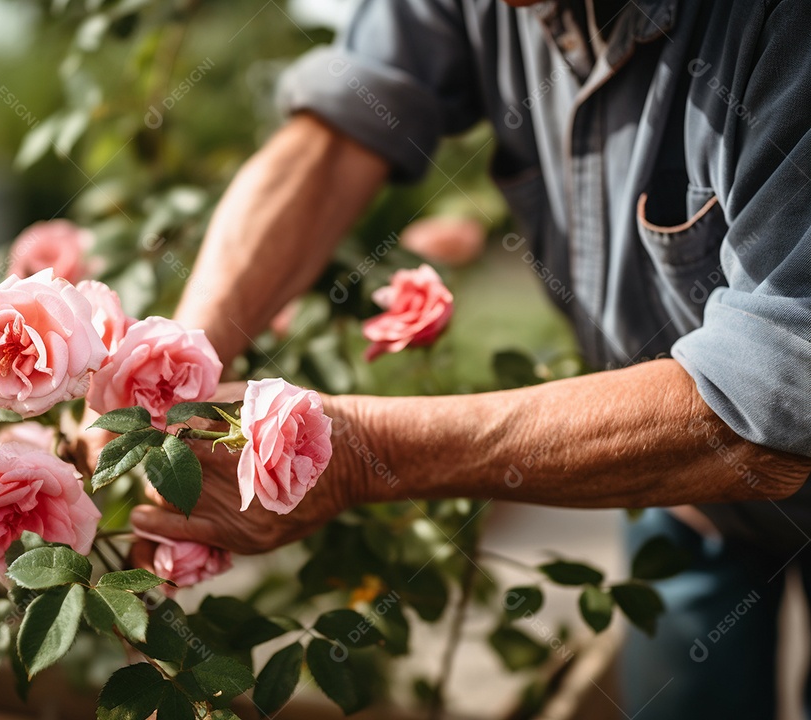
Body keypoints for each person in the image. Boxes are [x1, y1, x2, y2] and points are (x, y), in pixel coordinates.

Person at [87, 1, 811, 716]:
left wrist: (359, 453)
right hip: (684, 499)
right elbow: (335, 141)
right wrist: (172, 358)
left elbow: (773, 399)